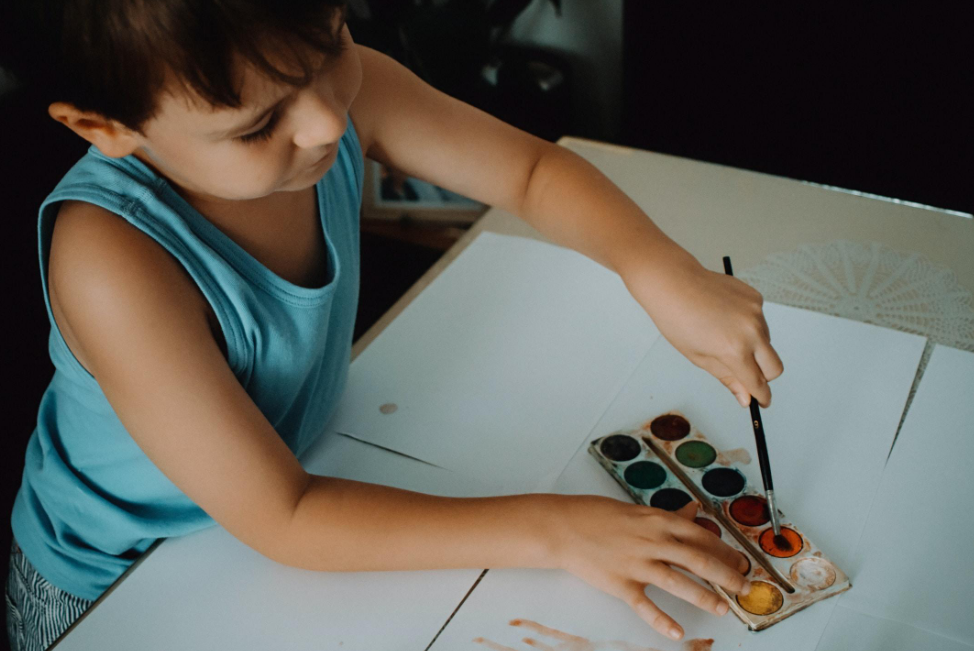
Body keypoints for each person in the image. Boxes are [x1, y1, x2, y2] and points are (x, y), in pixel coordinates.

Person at [1, 1, 783, 648]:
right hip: (114, 584)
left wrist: (658, 267)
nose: (325, 126)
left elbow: (532, 170)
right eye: (256, 125)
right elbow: (287, 516)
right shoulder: (110, 260)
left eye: (333, 44)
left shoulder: (336, 95)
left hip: (274, 503)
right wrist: (554, 529)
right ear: (102, 127)